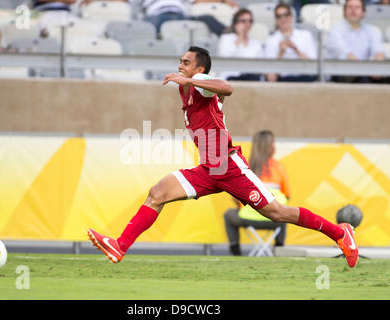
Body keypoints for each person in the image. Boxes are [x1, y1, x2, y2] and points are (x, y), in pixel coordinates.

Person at [87, 46, 359, 268]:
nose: (180, 65)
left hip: (229, 167)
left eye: (186, 62)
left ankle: (340, 233)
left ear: (199, 68)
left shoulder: (202, 84)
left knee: (277, 213)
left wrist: (189, 79)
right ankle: (120, 246)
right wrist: (186, 82)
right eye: (180, 62)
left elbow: (228, 88)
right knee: (157, 193)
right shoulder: (188, 89)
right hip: (208, 169)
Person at [224, 130, 290, 256]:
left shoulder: (244, 166)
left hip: (248, 218)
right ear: (270, 147)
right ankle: (279, 248)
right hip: (275, 219)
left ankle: (235, 251)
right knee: (286, 212)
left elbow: (235, 197)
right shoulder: (279, 167)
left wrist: (247, 208)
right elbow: (287, 195)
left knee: (228, 215)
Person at [327, 0, 387, 83]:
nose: (353, 10)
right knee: (362, 79)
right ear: (344, 12)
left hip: (367, 72)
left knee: (387, 74)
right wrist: (370, 70)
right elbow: (347, 56)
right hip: (343, 73)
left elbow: (379, 51)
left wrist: (378, 68)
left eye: (357, 7)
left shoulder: (372, 30)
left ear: (363, 12)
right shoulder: (335, 30)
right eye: (350, 7)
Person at [264, 3, 317, 82]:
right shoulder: (271, 40)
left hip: (305, 79)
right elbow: (271, 78)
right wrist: (280, 53)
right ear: (276, 20)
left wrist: (296, 50)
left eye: (286, 15)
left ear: (291, 16)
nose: (283, 19)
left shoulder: (306, 35)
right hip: (283, 80)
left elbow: (314, 67)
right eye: (279, 16)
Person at [129, 0, 238, 36]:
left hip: (180, 16)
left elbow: (198, 1)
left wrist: (223, 1)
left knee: (207, 17)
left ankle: (227, 33)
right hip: (156, 16)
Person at [217, 8, 263, 81]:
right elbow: (225, 57)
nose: (247, 24)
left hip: (250, 78)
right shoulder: (226, 38)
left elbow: (261, 66)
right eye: (243, 21)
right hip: (230, 77)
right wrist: (239, 37)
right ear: (236, 23)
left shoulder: (256, 43)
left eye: (250, 21)